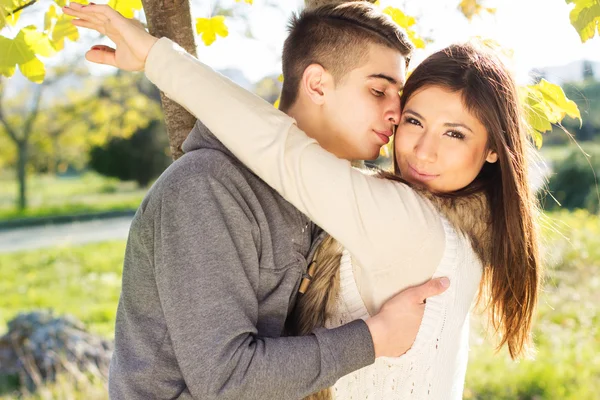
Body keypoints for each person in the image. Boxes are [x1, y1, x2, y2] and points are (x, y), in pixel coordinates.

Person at [63, 2, 452, 400]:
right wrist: (374, 338)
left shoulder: (329, 198)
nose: (396, 113)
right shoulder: (206, 188)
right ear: (317, 84)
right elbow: (227, 379)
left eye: (398, 95)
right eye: (378, 90)